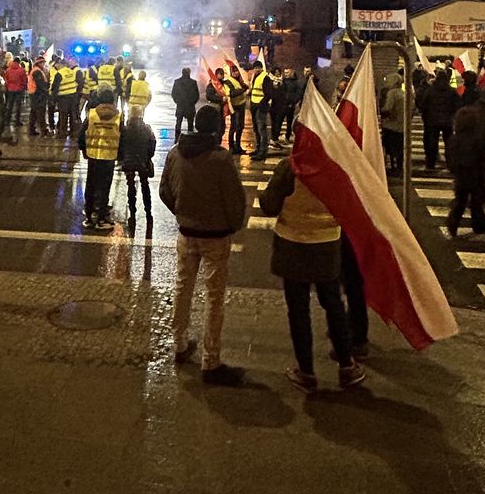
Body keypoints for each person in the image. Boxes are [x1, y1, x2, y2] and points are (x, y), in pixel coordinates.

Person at [259, 156, 366, 393]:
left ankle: (306, 372)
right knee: (334, 304)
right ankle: (346, 365)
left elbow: (269, 205)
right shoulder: (335, 166)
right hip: (326, 245)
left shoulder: (289, 167)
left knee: (298, 310)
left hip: (292, 244)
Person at [160, 105, 247, 385]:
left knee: (182, 287)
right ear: (216, 127)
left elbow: (165, 191)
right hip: (215, 237)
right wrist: (231, 225)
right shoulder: (220, 159)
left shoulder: (175, 152)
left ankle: (179, 344)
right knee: (214, 296)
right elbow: (235, 201)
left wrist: (182, 213)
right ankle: (211, 360)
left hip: (186, 233)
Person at [446, 86, 485, 236]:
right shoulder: (478, 138)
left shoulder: (455, 139)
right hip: (476, 174)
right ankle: (479, 225)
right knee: (476, 202)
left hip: (461, 174)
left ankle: (453, 224)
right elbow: (484, 155)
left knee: (460, 201)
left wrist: (454, 169)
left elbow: (449, 157)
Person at [77, 88, 123, 229]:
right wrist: (120, 156)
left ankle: (89, 214)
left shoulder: (91, 115)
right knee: (104, 186)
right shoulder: (118, 116)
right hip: (109, 157)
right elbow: (123, 137)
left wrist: (84, 150)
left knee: (91, 184)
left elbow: (81, 135)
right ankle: (102, 218)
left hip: (93, 155)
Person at [118, 108, 156, 224]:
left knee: (130, 186)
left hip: (129, 161)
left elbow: (120, 146)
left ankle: (132, 211)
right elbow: (152, 144)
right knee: (145, 186)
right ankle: (148, 211)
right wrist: (148, 156)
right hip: (142, 161)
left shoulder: (125, 130)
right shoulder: (147, 129)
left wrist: (122, 158)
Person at [417, 69, 460, 171]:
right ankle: (450, 163)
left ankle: (430, 163)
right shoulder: (451, 91)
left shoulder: (430, 91)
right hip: (447, 121)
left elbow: (423, 105)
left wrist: (425, 115)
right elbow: (458, 104)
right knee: (448, 143)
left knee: (432, 142)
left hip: (433, 121)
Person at [248, 61, 275, 162]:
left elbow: (269, 94)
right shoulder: (255, 76)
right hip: (254, 105)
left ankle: (262, 152)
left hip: (261, 107)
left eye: (258, 68)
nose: (256, 69)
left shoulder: (265, 77)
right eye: (255, 68)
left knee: (261, 130)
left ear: (261, 68)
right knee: (256, 129)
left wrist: (262, 103)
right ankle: (258, 149)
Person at [381, 75, 406, 178]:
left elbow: (388, 108)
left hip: (391, 125)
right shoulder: (404, 93)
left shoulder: (392, 93)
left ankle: (393, 168)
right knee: (400, 149)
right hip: (402, 125)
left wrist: (380, 111)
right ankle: (399, 167)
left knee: (391, 149)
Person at [50, 57, 81, 138]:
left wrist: (53, 100)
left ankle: (62, 133)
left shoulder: (59, 73)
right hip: (73, 96)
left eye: (57, 64)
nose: (56, 66)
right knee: (72, 115)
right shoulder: (71, 71)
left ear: (60, 64)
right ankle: (73, 132)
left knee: (63, 116)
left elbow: (55, 88)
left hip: (63, 98)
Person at [225, 69, 247, 155]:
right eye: (234, 71)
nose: (236, 73)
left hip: (241, 105)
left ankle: (238, 146)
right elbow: (232, 93)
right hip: (234, 107)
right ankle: (231, 147)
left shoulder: (240, 81)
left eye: (237, 71)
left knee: (240, 126)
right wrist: (242, 90)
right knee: (234, 127)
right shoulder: (228, 81)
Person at [2, 55, 28, 133]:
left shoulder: (8, 70)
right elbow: (24, 80)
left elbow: (5, 79)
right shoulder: (21, 70)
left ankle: (7, 121)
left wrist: (8, 86)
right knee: (18, 106)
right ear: (19, 62)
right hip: (19, 89)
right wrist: (24, 87)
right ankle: (17, 121)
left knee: (9, 105)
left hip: (10, 89)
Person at [171, 67, 199, 136]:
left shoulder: (177, 82)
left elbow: (173, 94)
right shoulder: (193, 82)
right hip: (190, 106)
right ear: (189, 73)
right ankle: (190, 139)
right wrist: (192, 103)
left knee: (178, 123)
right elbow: (197, 95)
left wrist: (178, 102)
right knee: (190, 125)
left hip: (180, 106)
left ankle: (177, 138)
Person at [277, 67, 303, 141]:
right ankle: (276, 137)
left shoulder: (296, 83)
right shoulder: (283, 82)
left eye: (287, 72)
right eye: (285, 73)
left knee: (289, 122)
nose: (286, 74)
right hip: (282, 105)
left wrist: (293, 102)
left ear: (292, 72)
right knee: (279, 121)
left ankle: (287, 137)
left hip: (290, 106)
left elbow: (298, 94)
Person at [28, 55, 50, 136]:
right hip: (38, 94)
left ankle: (31, 130)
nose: (44, 64)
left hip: (34, 93)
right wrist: (47, 91)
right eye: (43, 63)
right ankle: (43, 130)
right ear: (39, 63)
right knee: (40, 112)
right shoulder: (37, 71)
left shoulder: (36, 70)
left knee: (34, 112)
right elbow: (41, 84)